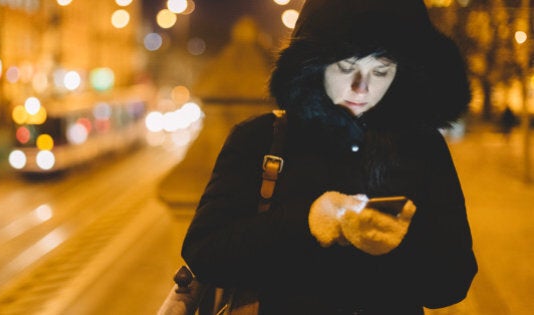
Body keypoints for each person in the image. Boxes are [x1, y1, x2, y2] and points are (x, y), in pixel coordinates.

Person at [181, 0, 478, 314]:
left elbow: (453, 281)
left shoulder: (421, 146)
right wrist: (306, 221)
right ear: (313, 65)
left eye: (380, 70)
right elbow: (204, 254)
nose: (360, 88)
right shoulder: (262, 139)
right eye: (345, 67)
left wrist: (400, 244)